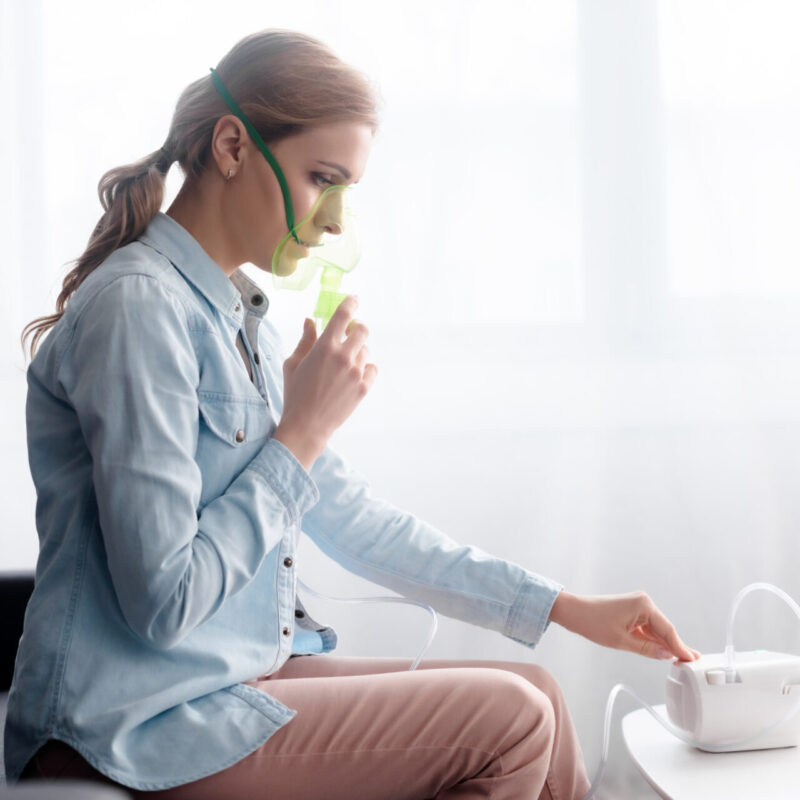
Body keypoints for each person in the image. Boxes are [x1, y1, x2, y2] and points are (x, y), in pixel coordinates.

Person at [6, 29, 699, 800]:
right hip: (127, 726)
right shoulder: (140, 310)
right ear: (233, 145)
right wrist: (300, 434)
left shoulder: (242, 326)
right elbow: (163, 604)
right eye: (321, 178)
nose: (334, 221)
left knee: (538, 689)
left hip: (210, 690)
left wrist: (565, 608)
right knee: (512, 719)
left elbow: (357, 523)